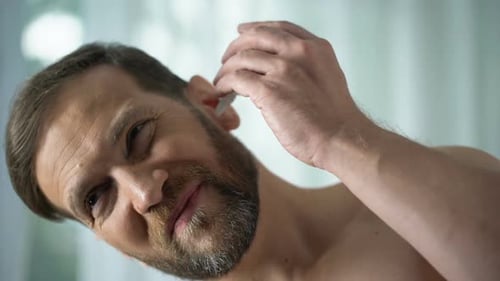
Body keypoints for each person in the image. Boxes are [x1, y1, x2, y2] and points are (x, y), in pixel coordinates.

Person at [5, 21, 500, 281]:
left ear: (210, 104)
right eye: (96, 198)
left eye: (137, 136)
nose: (141, 192)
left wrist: (338, 137)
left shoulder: (431, 203)